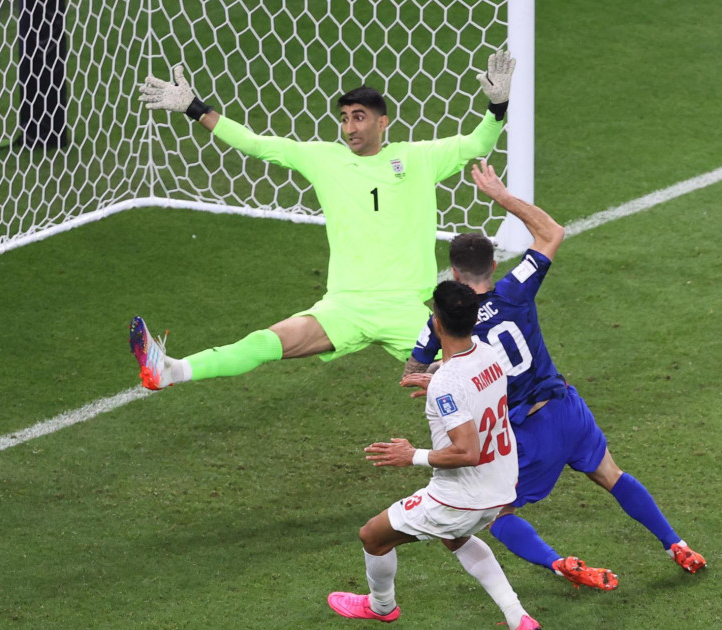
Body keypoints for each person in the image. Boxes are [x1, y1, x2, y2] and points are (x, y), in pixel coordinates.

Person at [129, 52, 517, 390]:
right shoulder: (324, 158)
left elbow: (477, 144)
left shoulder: (419, 157)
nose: (350, 128)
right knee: (267, 341)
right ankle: (172, 370)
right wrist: (195, 108)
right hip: (344, 306)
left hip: (404, 308)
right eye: (345, 118)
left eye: (359, 118)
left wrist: (497, 106)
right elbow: (256, 144)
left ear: (382, 123)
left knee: (482, 370)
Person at [402, 161, 707, 590]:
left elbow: (411, 371)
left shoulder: (442, 321)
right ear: (493, 263)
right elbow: (551, 233)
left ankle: (559, 562)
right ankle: (676, 544)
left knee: (499, 514)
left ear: (453, 273)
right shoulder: (515, 289)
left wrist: (436, 373)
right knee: (612, 476)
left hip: (524, 433)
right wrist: (500, 196)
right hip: (565, 406)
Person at [327, 281, 539, 629]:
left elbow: (467, 450)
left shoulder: (448, 382)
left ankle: (382, 607)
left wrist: (411, 455)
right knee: (455, 537)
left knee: (372, 536)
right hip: (500, 485)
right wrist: (438, 380)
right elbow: (473, 389)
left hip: (462, 496)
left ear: (436, 323)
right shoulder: (487, 352)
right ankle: (519, 618)